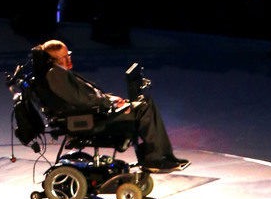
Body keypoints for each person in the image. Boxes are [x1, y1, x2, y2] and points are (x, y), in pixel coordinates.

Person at [27, 38, 189, 173]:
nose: (69, 59)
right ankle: (154, 158)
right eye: (64, 57)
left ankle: (163, 155)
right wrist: (108, 103)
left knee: (144, 103)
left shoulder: (59, 72)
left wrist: (111, 99)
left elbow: (86, 97)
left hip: (96, 110)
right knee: (143, 107)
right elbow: (80, 101)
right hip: (91, 118)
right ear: (53, 60)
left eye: (68, 54)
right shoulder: (55, 74)